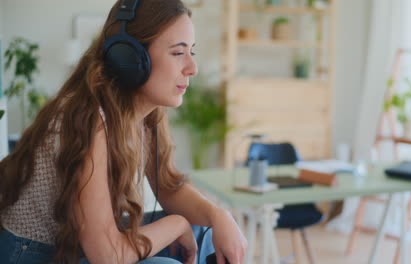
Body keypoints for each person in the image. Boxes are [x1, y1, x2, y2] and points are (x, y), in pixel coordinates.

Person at [0, 0, 247, 263]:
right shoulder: (89, 119)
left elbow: (168, 186)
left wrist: (219, 215)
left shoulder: (146, 111)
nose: (192, 68)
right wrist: (177, 224)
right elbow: (107, 255)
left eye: (191, 53)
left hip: (78, 245)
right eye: (178, 53)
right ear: (129, 58)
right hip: (35, 254)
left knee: (206, 229)